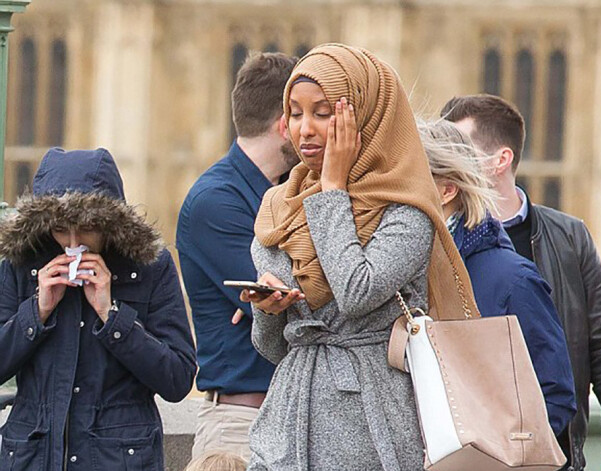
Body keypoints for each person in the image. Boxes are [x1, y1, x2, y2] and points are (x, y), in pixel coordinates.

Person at [242, 43, 465, 471]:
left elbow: (356, 291)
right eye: (294, 112)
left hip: (371, 418)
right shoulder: (279, 207)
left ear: (363, 115)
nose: (304, 129)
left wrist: (332, 188)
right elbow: (272, 347)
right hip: (287, 422)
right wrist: (269, 309)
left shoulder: (406, 209)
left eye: (323, 113)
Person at [441, 94, 601, 471]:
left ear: (500, 161)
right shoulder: (437, 245)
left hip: (554, 451)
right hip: (467, 453)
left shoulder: (568, 237)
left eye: (458, 150)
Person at [0, 147, 196, 471]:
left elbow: (177, 378)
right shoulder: (21, 265)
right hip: (30, 458)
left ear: (110, 220)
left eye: (88, 227)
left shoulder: (150, 265)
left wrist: (112, 316)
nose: (74, 241)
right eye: (61, 228)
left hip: (118, 459)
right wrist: (36, 312)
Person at [417, 118, 576, 437]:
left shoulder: (513, 280)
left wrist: (493, 455)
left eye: (408, 178)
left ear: (447, 190)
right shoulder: (393, 274)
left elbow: (554, 394)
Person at [176, 52, 298, 460]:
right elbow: (290, 306)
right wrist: (278, 296)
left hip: (293, 420)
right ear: (285, 124)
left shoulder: (288, 193)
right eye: (304, 116)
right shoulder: (217, 202)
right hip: (240, 428)